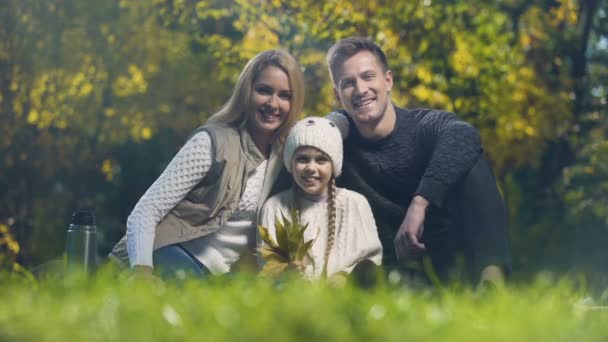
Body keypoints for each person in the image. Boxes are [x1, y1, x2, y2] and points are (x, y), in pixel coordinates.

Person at [325, 37, 511, 286]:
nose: (360, 90)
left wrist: (420, 202)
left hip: (447, 255)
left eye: (368, 77)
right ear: (338, 95)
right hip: (387, 271)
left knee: (470, 159)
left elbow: (465, 134)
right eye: (348, 83)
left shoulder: (422, 125)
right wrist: (331, 124)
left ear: (388, 80)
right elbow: (304, 141)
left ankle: (492, 280)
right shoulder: (337, 143)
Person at [108, 49, 305, 279]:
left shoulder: (287, 159)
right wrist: (142, 271)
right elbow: (145, 212)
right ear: (246, 92)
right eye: (264, 91)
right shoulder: (213, 142)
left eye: (285, 96)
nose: (273, 104)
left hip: (218, 276)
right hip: (167, 255)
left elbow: (327, 136)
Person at [260, 116, 382, 281]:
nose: (311, 168)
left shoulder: (355, 204)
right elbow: (267, 264)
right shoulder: (275, 207)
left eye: (321, 160)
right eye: (302, 159)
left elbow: (371, 258)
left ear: (333, 166)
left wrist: (343, 277)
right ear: (290, 163)